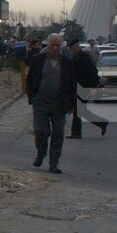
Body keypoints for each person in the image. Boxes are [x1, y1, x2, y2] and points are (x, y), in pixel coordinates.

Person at [26, 34, 77, 174]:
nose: (55, 48)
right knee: (41, 131)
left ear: (61, 46)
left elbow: (72, 84)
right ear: (47, 45)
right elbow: (29, 79)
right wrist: (33, 97)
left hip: (59, 104)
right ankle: (40, 153)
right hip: (41, 102)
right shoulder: (38, 60)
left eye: (57, 45)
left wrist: (72, 104)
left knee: (58, 133)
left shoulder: (67, 62)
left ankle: (54, 163)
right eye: (52, 45)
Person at [66, 39, 108, 139]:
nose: (71, 51)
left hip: (84, 88)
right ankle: (102, 123)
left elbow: (93, 72)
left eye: (72, 48)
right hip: (79, 87)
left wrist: (88, 86)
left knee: (78, 110)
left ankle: (76, 133)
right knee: (81, 110)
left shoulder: (83, 57)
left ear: (76, 47)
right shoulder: (76, 57)